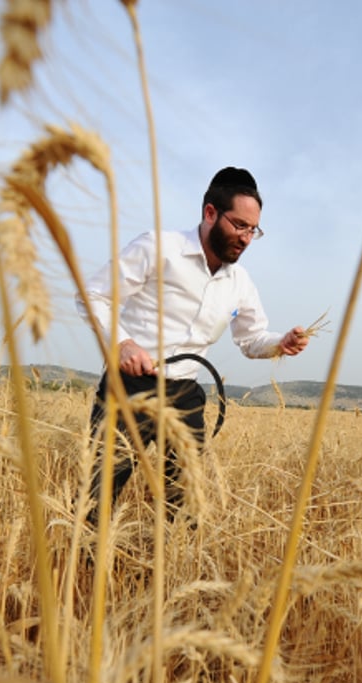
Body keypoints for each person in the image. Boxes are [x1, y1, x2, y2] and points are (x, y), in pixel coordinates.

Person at [76, 167, 309, 526]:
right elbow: (92, 295)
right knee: (99, 493)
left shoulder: (240, 282)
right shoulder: (157, 247)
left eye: (253, 230)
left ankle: (167, 572)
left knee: (184, 502)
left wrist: (281, 343)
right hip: (129, 387)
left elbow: (250, 339)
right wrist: (122, 344)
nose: (246, 238)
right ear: (210, 213)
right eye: (239, 225)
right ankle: (87, 571)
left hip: (185, 392)